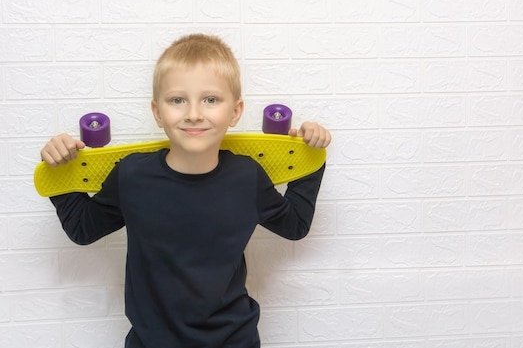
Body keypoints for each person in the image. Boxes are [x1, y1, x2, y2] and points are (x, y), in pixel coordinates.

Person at [40, 34, 332, 348]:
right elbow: (82, 229)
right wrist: (60, 168)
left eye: (211, 99)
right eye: (178, 100)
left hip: (233, 340)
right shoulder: (132, 176)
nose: (194, 113)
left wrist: (308, 158)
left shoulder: (248, 178)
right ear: (157, 111)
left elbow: (296, 225)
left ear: (235, 111)